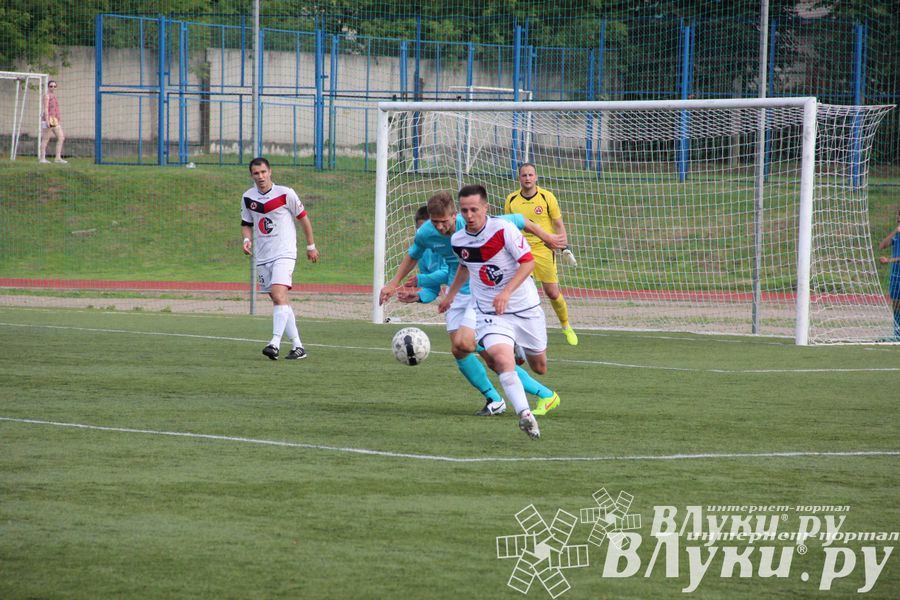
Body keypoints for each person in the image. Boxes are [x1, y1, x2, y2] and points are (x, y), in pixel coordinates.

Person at [380, 191, 563, 417]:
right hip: (458, 294)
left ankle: (519, 371)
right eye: (434, 222)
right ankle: (501, 397)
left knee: (477, 348)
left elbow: (521, 220)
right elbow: (414, 257)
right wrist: (394, 285)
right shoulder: (426, 233)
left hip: (480, 294)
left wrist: (547, 237)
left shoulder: (471, 222)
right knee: (461, 349)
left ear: (453, 215)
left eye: (444, 222)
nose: (439, 228)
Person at [440, 184, 551, 439]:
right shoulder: (458, 239)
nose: (469, 215)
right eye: (464, 210)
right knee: (501, 360)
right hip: (489, 310)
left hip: (524, 307)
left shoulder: (504, 230)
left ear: (486, 208)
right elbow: (465, 267)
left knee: (540, 367)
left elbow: (528, 262)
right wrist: (452, 294)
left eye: (474, 210)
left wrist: (507, 292)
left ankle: (519, 345)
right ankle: (525, 415)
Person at [240, 157, 319, 360]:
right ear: (251, 176)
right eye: (256, 173)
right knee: (279, 299)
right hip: (263, 256)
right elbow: (246, 223)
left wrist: (311, 246)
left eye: (263, 172)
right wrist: (247, 240)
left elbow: (304, 219)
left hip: (284, 252)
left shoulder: (285, 193)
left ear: (270, 172)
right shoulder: (248, 198)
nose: (261, 177)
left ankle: (274, 343)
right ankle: (298, 346)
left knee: (278, 294)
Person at [504, 163, 578, 345]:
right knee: (521, 291)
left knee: (552, 292)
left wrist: (564, 247)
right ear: (519, 178)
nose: (527, 178)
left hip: (545, 249)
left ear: (536, 177)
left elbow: (558, 224)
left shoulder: (547, 197)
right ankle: (517, 331)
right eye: (524, 175)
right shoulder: (512, 200)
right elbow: (507, 226)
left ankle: (566, 325)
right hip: (521, 250)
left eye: (530, 175)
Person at [397, 206, 449, 305]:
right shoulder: (423, 253)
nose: (425, 234)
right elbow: (432, 288)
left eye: (428, 229)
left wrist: (421, 279)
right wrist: (418, 296)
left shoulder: (449, 243)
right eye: (420, 229)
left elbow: (449, 274)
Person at [878, 209, 900, 339]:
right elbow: (882, 246)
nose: (897, 216)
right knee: (896, 303)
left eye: (899, 214)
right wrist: (894, 232)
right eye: (897, 214)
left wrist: (889, 260)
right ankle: (897, 332)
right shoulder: (897, 234)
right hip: (895, 274)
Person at [40, 80, 67, 164]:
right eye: (51, 86)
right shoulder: (47, 96)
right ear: (48, 87)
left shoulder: (54, 96)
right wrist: (47, 120)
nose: (53, 88)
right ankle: (42, 158)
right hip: (49, 119)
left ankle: (58, 158)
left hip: (54, 119)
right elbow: (45, 109)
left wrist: (58, 117)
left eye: (54, 86)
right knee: (45, 139)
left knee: (61, 137)